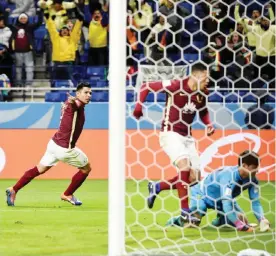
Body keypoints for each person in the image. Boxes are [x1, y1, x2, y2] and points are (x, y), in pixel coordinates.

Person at [133, 63, 215, 222]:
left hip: (188, 137)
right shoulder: (176, 85)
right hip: (170, 133)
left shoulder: (203, 92)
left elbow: (203, 111)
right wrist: (138, 107)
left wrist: (208, 124)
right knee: (184, 166)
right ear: (196, 76)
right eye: (206, 78)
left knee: (195, 178)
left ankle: (157, 187)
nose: (208, 82)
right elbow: (146, 86)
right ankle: (185, 211)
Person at [6, 82, 92, 206]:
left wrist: (73, 102)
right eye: (86, 92)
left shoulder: (73, 105)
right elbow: (75, 105)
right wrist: (74, 102)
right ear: (78, 94)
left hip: (54, 144)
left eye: (90, 93)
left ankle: (13, 189)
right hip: (64, 148)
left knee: (39, 169)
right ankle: (68, 194)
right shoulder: (75, 104)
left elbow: (72, 106)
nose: (89, 95)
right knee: (86, 168)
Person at [166, 150, 270, 232]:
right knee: (193, 222)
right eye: (254, 167)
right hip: (202, 194)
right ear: (244, 166)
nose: (257, 170)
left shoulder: (253, 180)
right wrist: (239, 226)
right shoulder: (229, 176)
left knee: (241, 218)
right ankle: (176, 220)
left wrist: (262, 219)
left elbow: (255, 202)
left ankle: (221, 220)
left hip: (222, 200)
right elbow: (227, 204)